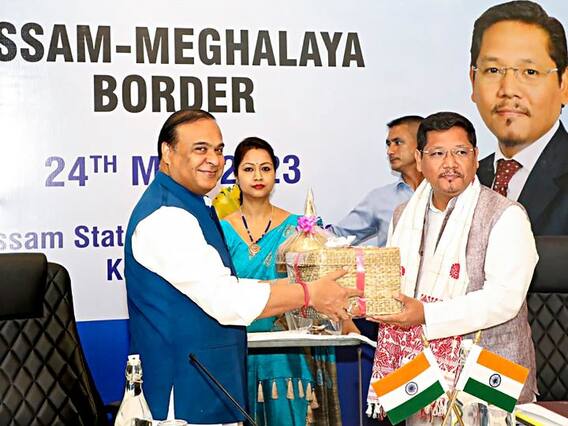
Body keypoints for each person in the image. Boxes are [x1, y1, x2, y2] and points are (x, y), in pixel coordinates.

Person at [123, 109, 360, 425]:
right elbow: (227, 299)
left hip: (207, 387)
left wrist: (306, 288)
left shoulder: (192, 206)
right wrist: (309, 294)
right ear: (167, 152)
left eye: (218, 150)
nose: (213, 160)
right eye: (200, 149)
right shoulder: (167, 217)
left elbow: (230, 285)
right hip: (182, 398)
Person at [366, 112, 538, 424]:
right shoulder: (404, 215)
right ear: (419, 160)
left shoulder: (505, 215)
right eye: (437, 153)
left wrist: (425, 314)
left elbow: (503, 300)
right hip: (419, 371)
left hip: (488, 372)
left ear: (475, 157)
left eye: (460, 152)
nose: (450, 163)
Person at [220, 137, 355, 426]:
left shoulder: (299, 229)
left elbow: (322, 282)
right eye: (249, 169)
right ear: (235, 175)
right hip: (236, 345)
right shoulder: (219, 229)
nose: (258, 176)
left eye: (265, 168)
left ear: (275, 174)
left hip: (289, 349)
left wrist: (346, 319)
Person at [471, 0, 568, 235]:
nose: (508, 89)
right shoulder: (468, 181)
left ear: (564, 85)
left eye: (530, 72)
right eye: (493, 70)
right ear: (473, 81)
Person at [328, 115, 424, 246]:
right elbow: (336, 236)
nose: (390, 151)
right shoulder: (379, 198)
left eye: (398, 143)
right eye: (388, 144)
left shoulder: (445, 191)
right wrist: (306, 229)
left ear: (420, 144)